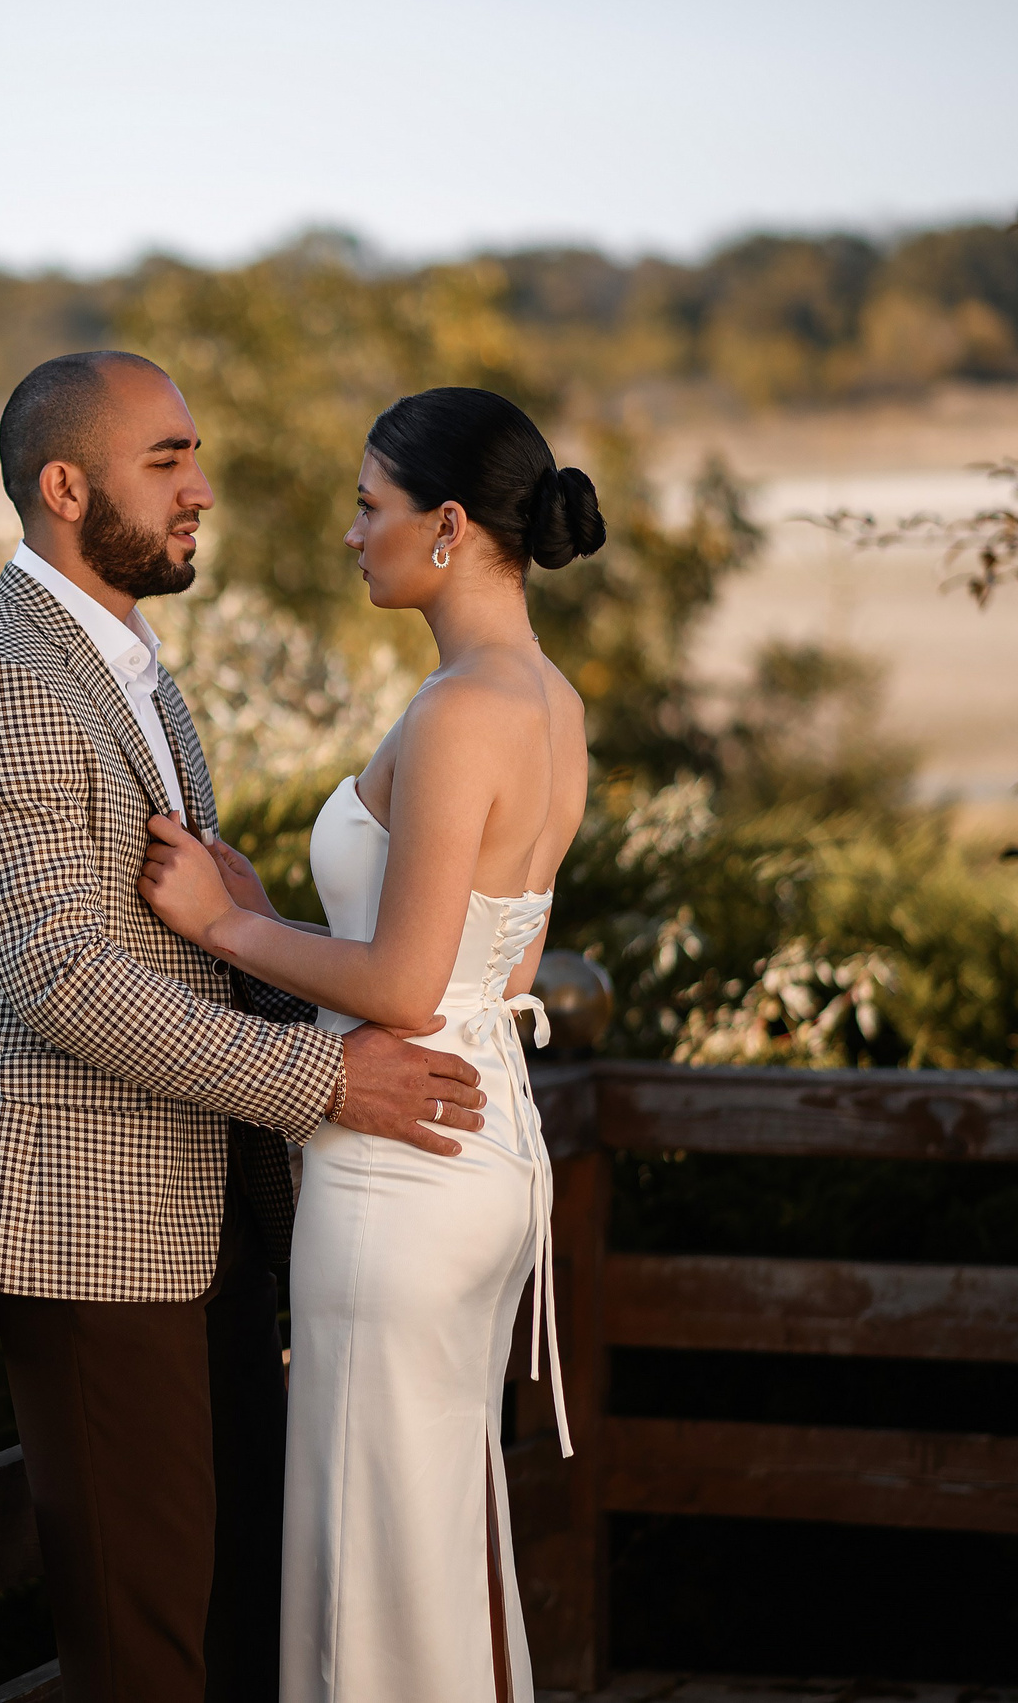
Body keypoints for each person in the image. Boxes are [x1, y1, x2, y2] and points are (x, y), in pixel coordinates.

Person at [0, 351, 492, 1703]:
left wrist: (277, 970)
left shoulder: (131, 670)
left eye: (192, 456)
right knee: (147, 1646)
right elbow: (62, 979)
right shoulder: (1, 686)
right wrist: (325, 1077)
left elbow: (181, 933)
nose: (201, 488)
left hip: (204, 1199)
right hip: (82, 1213)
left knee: (240, 1621)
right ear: (63, 486)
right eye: (166, 461)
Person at [138, 387, 604, 1703]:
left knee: (371, 1534)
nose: (352, 535)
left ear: (448, 526)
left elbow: (403, 987)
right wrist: (294, 921)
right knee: (432, 1524)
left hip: (402, 1169)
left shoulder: (463, 710)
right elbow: (497, 967)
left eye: (368, 506)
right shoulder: (551, 704)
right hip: (488, 1147)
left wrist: (226, 926)